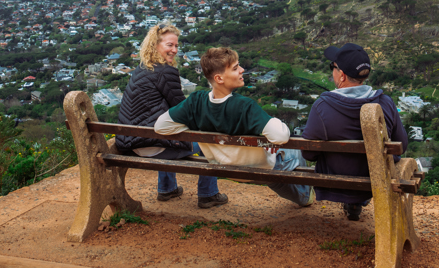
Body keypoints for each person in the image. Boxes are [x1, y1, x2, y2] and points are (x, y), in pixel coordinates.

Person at [154, 47, 314, 208]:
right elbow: (280, 136)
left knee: (277, 157)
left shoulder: (195, 102)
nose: (242, 70)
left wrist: (193, 127)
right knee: (294, 149)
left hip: (223, 167)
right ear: (219, 78)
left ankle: (302, 195)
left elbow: (161, 126)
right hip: (260, 170)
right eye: (236, 68)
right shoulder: (244, 106)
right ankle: (304, 194)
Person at [114, 23, 224, 208]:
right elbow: (183, 110)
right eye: (169, 45)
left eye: (176, 46)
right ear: (155, 45)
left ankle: (167, 188)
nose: (174, 50)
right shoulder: (166, 72)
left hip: (131, 143)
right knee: (212, 141)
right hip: (151, 146)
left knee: (165, 128)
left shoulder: (142, 69)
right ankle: (208, 194)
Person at [301, 43, 407, 221]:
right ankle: (357, 202)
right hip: (375, 181)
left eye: (332, 67)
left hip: (337, 182)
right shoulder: (385, 103)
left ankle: (351, 200)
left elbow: (308, 153)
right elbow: (401, 145)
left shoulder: (322, 107)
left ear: (341, 75)